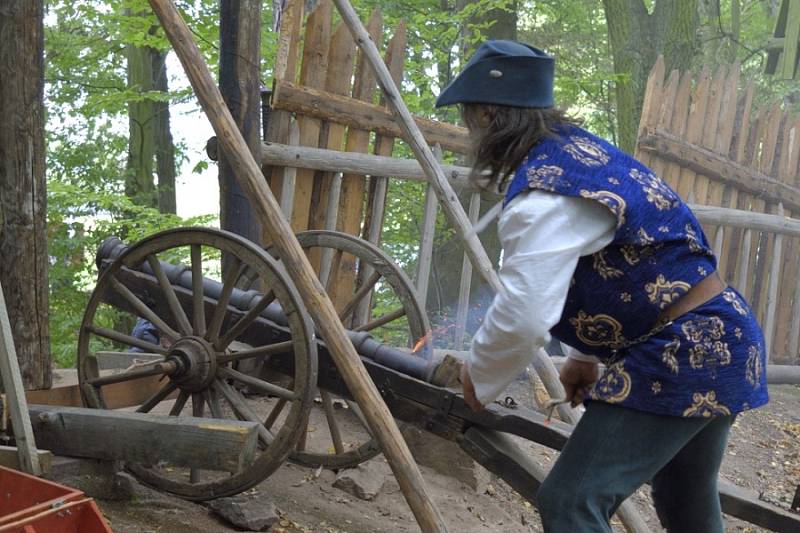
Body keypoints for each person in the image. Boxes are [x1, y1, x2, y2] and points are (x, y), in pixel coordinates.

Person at [437, 40, 769, 533]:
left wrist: (481, 376)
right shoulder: (585, 154)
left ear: (487, 114)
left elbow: (525, 315)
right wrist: (585, 357)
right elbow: (609, 267)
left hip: (681, 353)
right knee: (685, 495)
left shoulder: (544, 194)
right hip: (723, 337)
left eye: (469, 120)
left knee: (571, 501)